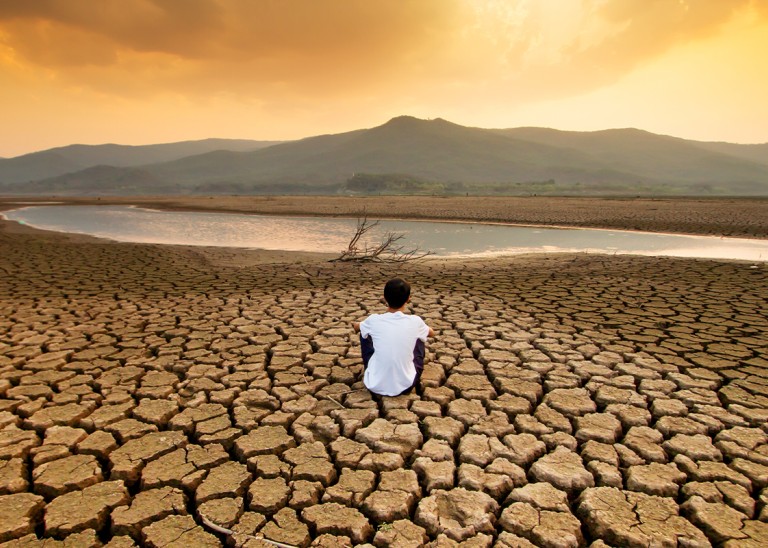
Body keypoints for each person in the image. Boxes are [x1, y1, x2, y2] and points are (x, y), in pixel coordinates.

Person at [353, 277, 435, 396]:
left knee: (364, 331)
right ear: (408, 299)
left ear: (385, 298)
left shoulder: (374, 320)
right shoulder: (415, 321)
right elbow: (431, 333)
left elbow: (357, 327)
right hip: (407, 385)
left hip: (374, 384)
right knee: (420, 336)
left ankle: (374, 368)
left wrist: (359, 324)